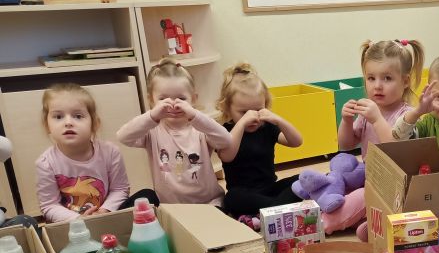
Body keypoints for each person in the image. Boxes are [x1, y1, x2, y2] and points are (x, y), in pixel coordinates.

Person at [339, 39, 426, 240]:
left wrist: (377, 119)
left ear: (405, 81)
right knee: (338, 183)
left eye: (387, 78)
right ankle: (371, 220)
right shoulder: (369, 111)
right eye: (371, 78)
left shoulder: (408, 115)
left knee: (356, 200)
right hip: (369, 178)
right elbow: (346, 144)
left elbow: (396, 151)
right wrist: (346, 120)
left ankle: (327, 222)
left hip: (396, 186)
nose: (377, 86)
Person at [36, 83, 157, 223]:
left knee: (147, 196)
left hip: (108, 216)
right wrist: (79, 218)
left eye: (78, 116)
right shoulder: (46, 163)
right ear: (47, 125)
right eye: (58, 117)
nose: (68, 122)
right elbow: (49, 205)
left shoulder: (110, 152)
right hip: (73, 225)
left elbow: (120, 189)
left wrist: (103, 211)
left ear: (94, 124)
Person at [117, 59, 232, 206]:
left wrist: (195, 115)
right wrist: (152, 116)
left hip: (209, 202)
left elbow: (226, 140)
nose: (173, 104)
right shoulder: (152, 131)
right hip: (171, 207)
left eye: (181, 98)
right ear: (151, 100)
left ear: (193, 99)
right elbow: (123, 137)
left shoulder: (200, 128)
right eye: (163, 99)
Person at [214, 63, 303, 220]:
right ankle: (279, 209)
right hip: (243, 194)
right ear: (227, 108)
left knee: (303, 180)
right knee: (231, 199)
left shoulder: (267, 127)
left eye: (258, 109)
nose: (252, 116)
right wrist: (242, 124)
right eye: (244, 112)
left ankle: (271, 211)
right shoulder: (225, 131)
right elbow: (227, 156)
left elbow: (296, 142)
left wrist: (278, 120)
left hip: (270, 189)